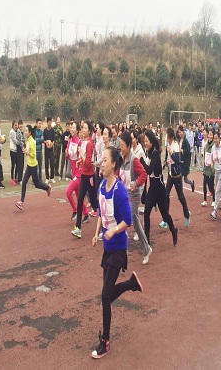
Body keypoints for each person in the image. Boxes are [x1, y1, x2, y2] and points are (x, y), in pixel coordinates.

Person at [91, 146, 143, 359]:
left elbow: (127, 220)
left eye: (104, 160)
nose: (101, 163)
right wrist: (97, 233)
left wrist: (113, 230)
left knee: (105, 296)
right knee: (107, 294)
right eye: (101, 160)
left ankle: (105, 341)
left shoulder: (119, 191)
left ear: (113, 164)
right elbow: (100, 214)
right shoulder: (102, 186)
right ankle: (131, 284)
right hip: (107, 248)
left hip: (119, 249)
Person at [139, 130, 178, 246]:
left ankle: (173, 230)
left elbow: (149, 170)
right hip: (152, 187)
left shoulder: (155, 153)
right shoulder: (148, 152)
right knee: (146, 212)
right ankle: (146, 238)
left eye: (147, 141)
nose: (145, 143)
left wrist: (141, 161)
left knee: (165, 214)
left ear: (151, 142)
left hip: (159, 188)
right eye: (144, 141)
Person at [119, 130, 151, 265]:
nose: (121, 148)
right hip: (125, 195)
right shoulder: (121, 159)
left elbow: (143, 174)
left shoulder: (134, 160)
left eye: (122, 146)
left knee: (124, 220)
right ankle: (147, 249)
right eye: (120, 145)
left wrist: (136, 183)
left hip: (134, 196)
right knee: (136, 224)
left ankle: (121, 254)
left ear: (128, 146)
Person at [72, 121, 99, 238]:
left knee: (94, 203)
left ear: (89, 131)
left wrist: (81, 155)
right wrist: (79, 161)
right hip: (84, 175)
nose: (83, 130)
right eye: (82, 128)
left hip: (90, 177)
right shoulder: (83, 142)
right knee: (80, 199)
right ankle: (78, 228)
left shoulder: (89, 144)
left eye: (85, 128)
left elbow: (88, 163)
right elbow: (85, 161)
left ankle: (108, 215)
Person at [16, 125, 51, 210]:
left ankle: (47, 187)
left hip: (33, 166)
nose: (25, 132)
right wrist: (25, 150)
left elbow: (33, 155)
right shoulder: (28, 140)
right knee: (24, 183)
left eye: (26, 131)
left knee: (37, 184)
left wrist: (26, 152)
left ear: (30, 132)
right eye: (24, 131)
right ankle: (21, 202)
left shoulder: (32, 141)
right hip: (29, 165)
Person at [163, 127, 191, 228]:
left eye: (167, 136)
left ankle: (187, 215)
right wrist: (165, 163)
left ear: (170, 136)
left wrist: (171, 152)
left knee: (180, 197)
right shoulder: (168, 145)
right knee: (166, 195)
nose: (166, 138)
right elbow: (169, 158)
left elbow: (177, 160)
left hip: (177, 175)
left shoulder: (175, 145)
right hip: (170, 174)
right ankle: (165, 219)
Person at [66, 122, 88, 221]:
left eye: (73, 128)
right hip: (73, 171)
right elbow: (68, 157)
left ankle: (75, 210)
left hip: (79, 173)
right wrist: (66, 154)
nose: (71, 129)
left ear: (77, 130)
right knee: (79, 195)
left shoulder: (79, 142)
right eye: (70, 128)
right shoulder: (69, 141)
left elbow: (81, 158)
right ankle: (86, 214)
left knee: (68, 192)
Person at [178, 124, 195, 192]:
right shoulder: (180, 140)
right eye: (179, 132)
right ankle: (191, 183)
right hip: (181, 160)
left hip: (185, 162)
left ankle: (191, 183)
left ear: (183, 132)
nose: (180, 133)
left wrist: (182, 151)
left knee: (184, 179)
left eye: (180, 132)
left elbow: (187, 151)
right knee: (182, 178)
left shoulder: (185, 141)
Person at [201, 127, 215, 207]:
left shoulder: (213, 146)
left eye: (211, 134)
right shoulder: (206, 145)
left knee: (210, 185)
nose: (209, 136)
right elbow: (205, 155)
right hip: (206, 168)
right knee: (204, 184)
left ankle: (214, 200)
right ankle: (205, 200)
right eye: (209, 134)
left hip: (211, 169)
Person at [43, 117, 55, 183]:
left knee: (52, 164)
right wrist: (46, 142)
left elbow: (53, 140)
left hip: (51, 150)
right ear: (47, 122)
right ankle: (47, 177)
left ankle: (52, 177)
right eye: (49, 122)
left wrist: (51, 144)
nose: (50, 124)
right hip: (46, 150)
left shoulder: (52, 130)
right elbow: (43, 140)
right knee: (46, 164)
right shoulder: (45, 130)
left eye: (51, 122)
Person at [9, 120, 19, 185]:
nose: (16, 126)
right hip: (13, 151)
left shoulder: (17, 131)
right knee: (13, 165)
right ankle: (12, 178)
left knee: (17, 165)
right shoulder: (11, 132)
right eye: (15, 125)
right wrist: (21, 142)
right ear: (12, 125)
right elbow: (15, 141)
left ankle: (16, 178)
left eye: (17, 125)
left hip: (17, 151)